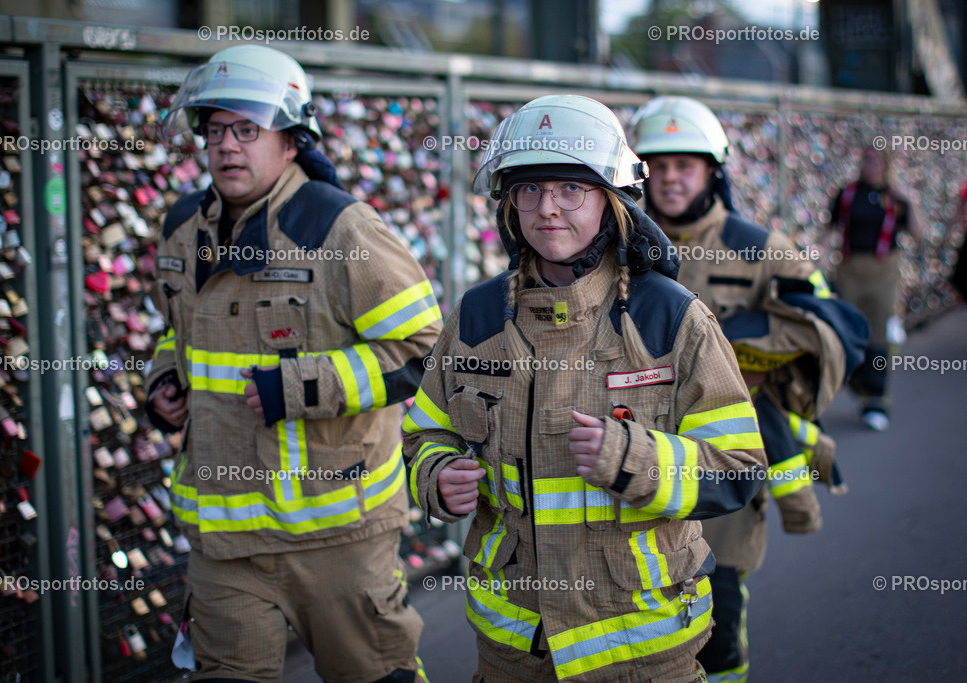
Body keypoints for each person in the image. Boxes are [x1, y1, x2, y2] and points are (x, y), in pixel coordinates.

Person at [403, 94, 768, 682]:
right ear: (509, 205)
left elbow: (738, 468)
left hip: (642, 649)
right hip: (511, 649)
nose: (547, 208)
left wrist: (635, 459)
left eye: (571, 189)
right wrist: (437, 477)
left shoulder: (669, 319)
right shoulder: (476, 318)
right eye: (529, 189)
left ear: (611, 200)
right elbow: (426, 430)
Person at [145, 45, 440, 683]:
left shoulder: (342, 230)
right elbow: (176, 335)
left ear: (290, 139)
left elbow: (424, 351)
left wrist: (305, 385)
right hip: (222, 543)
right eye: (216, 129)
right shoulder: (180, 230)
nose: (227, 145)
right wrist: (164, 378)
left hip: (337, 536)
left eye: (248, 129)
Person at [630, 95, 868, 683]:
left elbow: (829, 324)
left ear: (714, 170)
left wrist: (741, 346)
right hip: (636, 452)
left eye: (685, 164)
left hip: (723, 457)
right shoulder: (619, 245)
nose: (670, 178)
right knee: (639, 614)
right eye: (657, 166)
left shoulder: (759, 245)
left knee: (718, 608)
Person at [829, 144, 921, 431]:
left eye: (877, 160)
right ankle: (860, 388)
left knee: (879, 335)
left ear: (886, 163)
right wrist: (817, 255)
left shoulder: (894, 197)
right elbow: (832, 229)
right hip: (849, 269)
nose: (871, 165)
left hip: (883, 271)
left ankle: (877, 398)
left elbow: (919, 234)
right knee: (848, 332)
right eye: (867, 159)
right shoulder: (847, 194)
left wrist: (911, 201)